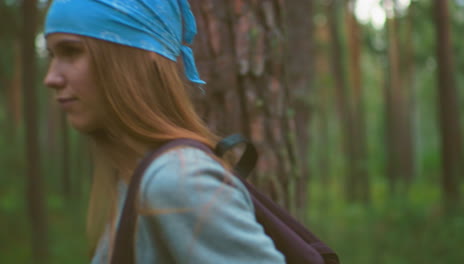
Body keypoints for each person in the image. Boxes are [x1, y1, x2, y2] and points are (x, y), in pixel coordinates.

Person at [43, 0, 285, 263]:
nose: (51, 77)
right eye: (52, 56)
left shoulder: (177, 180)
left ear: (132, 56)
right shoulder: (137, 175)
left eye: (71, 51)